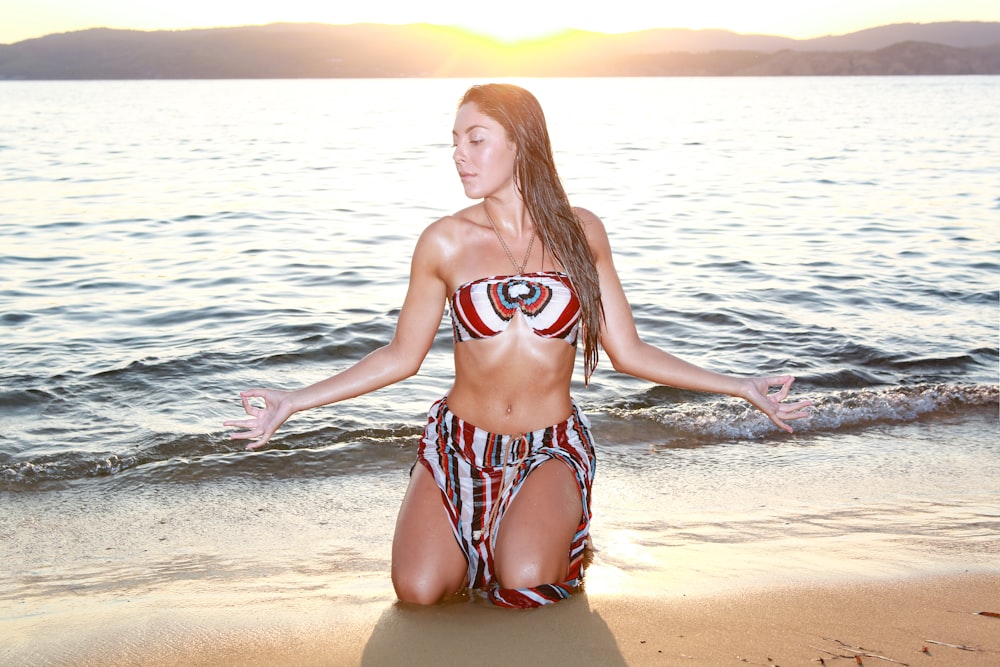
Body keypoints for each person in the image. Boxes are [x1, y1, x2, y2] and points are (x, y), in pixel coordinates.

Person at [224, 83, 811, 608]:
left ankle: (555, 530)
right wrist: (294, 401)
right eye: (454, 140)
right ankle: (491, 535)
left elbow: (628, 352)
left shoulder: (582, 233)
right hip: (459, 444)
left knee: (523, 583)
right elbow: (400, 357)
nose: (459, 154)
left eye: (476, 139)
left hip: (547, 448)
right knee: (418, 593)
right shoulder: (444, 241)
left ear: (520, 144)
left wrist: (740, 387)